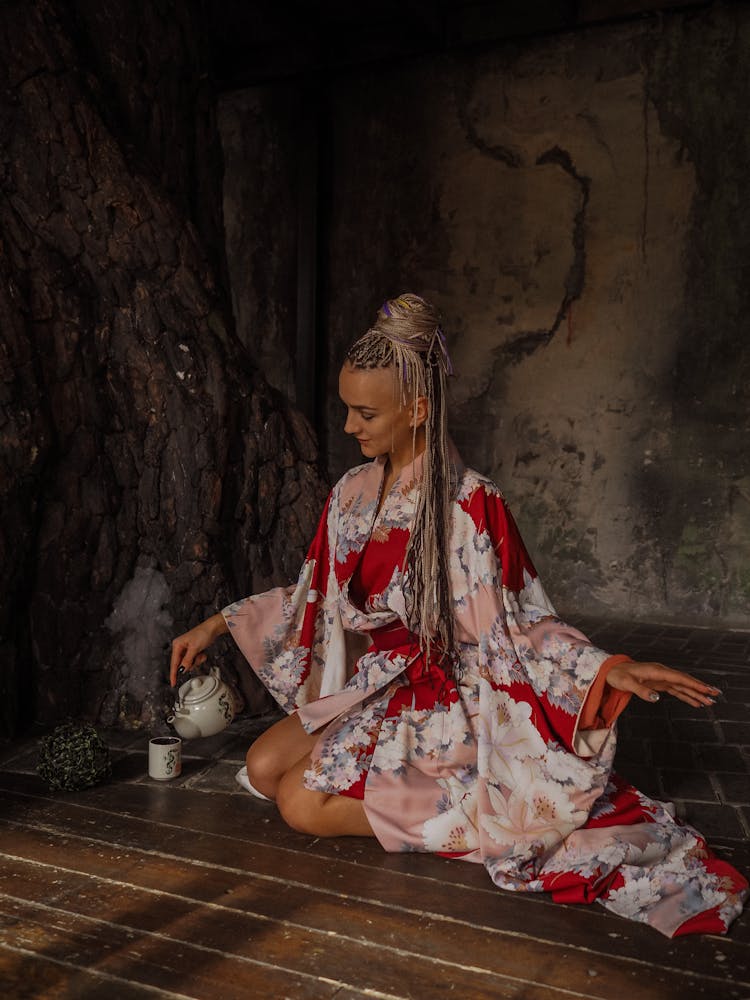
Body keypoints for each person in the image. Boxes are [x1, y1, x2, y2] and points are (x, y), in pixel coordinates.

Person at [170, 294, 747, 937]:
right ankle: (418, 792)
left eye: (365, 413)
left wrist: (608, 669)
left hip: (450, 698)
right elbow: (315, 595)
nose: (349, 428)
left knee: (301, 805)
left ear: (418, 408)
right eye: (346, 411)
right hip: (383, 683)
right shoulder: (351, 493)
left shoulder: (471, 503)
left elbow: (514, 626)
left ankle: (476, 808)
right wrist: (217, 625)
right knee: (262, 768)